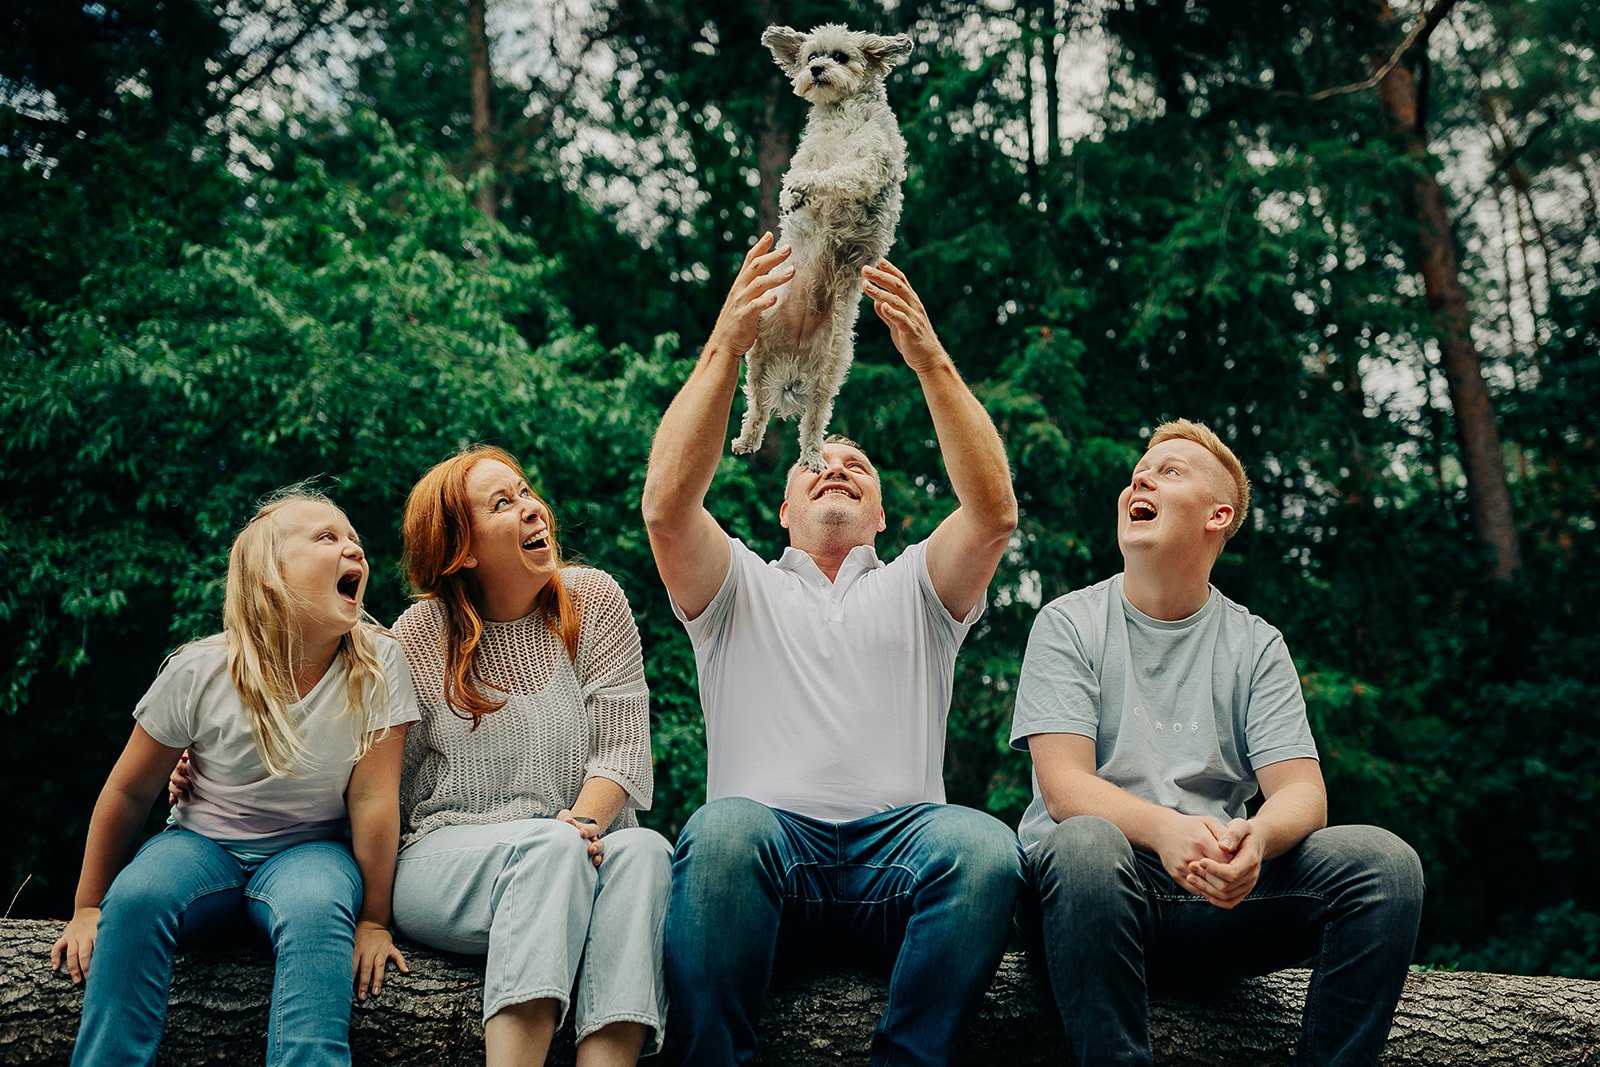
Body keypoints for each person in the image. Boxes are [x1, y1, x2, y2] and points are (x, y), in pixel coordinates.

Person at [642, 233, 1026, 1066]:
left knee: (987, 846)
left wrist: (930, 362)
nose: (836, 467)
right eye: (816, 461)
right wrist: (727, 343)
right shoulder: (739, 584)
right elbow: (668, 509)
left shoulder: (921, 585)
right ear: (782, 509)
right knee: (722, 829)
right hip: (767, 867)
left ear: (885, 515)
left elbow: (994, 513)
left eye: (859, 464)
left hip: (902, 865)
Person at [1011, 419, 1426, 1065]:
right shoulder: (1068, 622)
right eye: (1138, 471)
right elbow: (1065, 790)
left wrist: (1254, 841)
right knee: (1086, 841)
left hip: (1217, 891)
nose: (1139, 478)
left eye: (1169, 470)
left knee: (1384, 865)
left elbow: (1302, 792)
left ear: (1218, 514)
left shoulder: (1256, 644)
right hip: (1089, 899)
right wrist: (1165, 830)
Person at [51, 490, 418, 1067]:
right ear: (271, 573)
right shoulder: (200, 670)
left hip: (312, 852)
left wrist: (374, 920)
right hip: (200, 846)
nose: (354, 548)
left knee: (319, 909)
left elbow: (374, 798)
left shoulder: (378, 665)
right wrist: (88, 906)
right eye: (327, 538)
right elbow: (129, 790)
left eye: (355, 541)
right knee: (139, 896)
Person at [389, 446, 671, 1067]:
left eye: (525, 491)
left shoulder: (593, 600)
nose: (532, 507)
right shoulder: (417, 634)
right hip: (447, 855)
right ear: (462, 549)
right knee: (551, 848)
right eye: (503, 502)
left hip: (577, 842)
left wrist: (581, 826)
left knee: (648, 851)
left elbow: (622, 747)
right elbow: (376, 782)